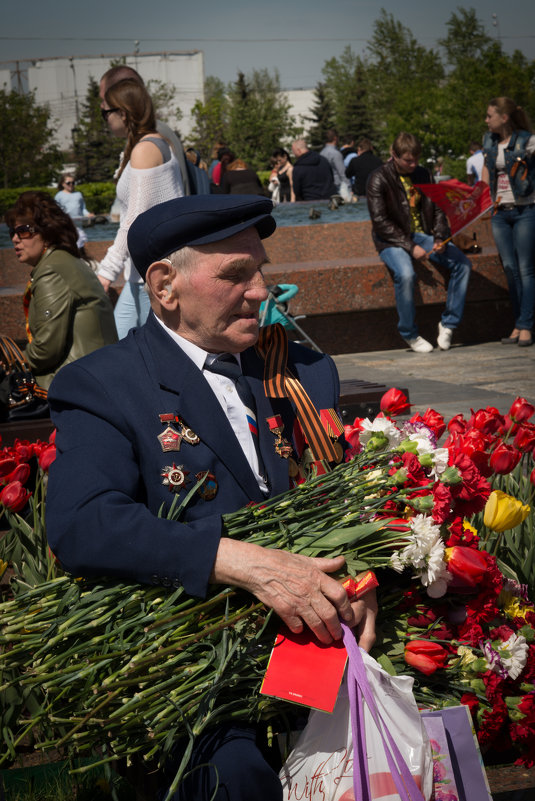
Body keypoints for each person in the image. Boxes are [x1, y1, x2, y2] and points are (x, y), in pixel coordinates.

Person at [46, 194, 377, 801]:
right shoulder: (103, 385)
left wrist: (365, 580)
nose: (261, 291)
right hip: (197, 661)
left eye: (261, 270)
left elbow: (349, 498)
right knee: (235, 778)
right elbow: (82, 522)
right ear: (164, 286)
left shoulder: (303, 371)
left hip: (323, 648)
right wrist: (243, 563)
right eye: (235, 274)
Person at [367, 132, 472, 353]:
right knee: (405, 274)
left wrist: (440, 237)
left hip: (421, 236)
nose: (413, 165)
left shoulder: (423, 174)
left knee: (462, 264)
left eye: (416, 159)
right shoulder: (378, 178)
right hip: (390, 240)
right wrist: (409, 246)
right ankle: (409, 333)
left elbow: (438, 209)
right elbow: (380, 221)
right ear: (393, 155)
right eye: (408, 160)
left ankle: (448, 324)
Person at [96, 78, 184, 339]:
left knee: (133, 351)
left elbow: (134, 218)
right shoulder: (146, 144)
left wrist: (105, 273)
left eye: (105, 113)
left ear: (122, 113)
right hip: (144, 274)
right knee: (121, 348)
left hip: (155, 275)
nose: (105, 120)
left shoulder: (146, 149)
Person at [5, 191, 117, 390]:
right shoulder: (64, 260)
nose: (15, 239)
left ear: (47, 233)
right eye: (12, 232)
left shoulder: (52, 271)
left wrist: (13, 364)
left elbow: (46, 350)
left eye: (23, 231)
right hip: (94, 375)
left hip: (75, 384)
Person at [482, 97, 535, 348]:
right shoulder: (489, 141)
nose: (486, 120)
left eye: (490, 115)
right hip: (499, 212)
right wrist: (480, 200)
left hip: (525, 209)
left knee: (526, 269)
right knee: (511, 271)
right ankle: (518, 321)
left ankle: (525, 325)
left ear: (504, 117)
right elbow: (486, 173)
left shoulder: (527, 140)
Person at [99, 65, 191, 195]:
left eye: (105, 100)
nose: (102, 106)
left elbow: (140, 209)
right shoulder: (151, 135)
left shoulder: (147, 144)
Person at [54, 173, 94, 252]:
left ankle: (81, 258)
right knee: (68, 242)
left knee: (81, 240)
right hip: (66, 224)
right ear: (62, 184)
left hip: (78, 224)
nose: (71, 184)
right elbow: (55, 210)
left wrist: (88, 214)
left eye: (73, 183)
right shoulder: (59, 195)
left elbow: (83, 208)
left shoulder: (78, 194)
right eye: (68, 183)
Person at [320, 129, 352, 201]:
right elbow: (342, 173)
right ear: (335, 138)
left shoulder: (322, 153)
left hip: (326, 187)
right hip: (338, 188)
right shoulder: (335, 153)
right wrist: (349, 189)